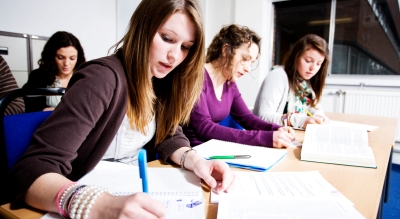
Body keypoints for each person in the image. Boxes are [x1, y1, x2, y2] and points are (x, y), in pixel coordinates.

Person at [7, 0, 235, 218]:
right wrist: (99, 205)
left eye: (186, 47)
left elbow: (169, 133)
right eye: (167, 38)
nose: (175, 56)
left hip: (131, 190)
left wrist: (197, 161)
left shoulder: (159, 79)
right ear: (142, 28)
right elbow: (30, 171)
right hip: (87, 195)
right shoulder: (101, 79)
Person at [183, 24, 295, 148]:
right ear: (225, 50)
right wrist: (265, 138)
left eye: (251, 62)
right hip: (191, 154)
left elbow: (246, 118)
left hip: (211, 151)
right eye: (245, 59)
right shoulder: (196, 77)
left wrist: (277, 129)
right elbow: (204, 129)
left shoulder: (230, 84)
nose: (248, 68)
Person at [253, 34, 330, 129]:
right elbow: (263, 116)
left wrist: (320, 118)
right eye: (308, 60)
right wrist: (301, 121)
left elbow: (314, 108)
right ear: (296, 56)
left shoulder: (305, 81)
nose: (313, 68)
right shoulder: (278, 76)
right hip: (267, 136)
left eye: (319, 64)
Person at [23, 31, 86, 112]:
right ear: (51, 56)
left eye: (72, 58)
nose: (66, 63)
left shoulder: (82, 77)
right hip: (45, 122)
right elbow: (31, 108)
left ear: (78, 57)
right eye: (60, 57)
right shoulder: (38, 76)